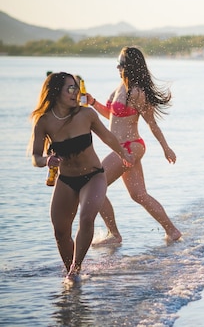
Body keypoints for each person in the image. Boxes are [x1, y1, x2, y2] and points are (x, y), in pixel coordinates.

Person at [30, 72, 134, 283]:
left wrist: (124, 155)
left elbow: (107, 136)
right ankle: (72, 272)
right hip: (66, 180)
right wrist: (46, 161)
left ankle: (75, 269)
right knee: (60, 231)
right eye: (70, 88)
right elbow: (35, 157)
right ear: (55, 91)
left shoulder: (86, 115)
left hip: (93, 177)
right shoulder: (44, 121)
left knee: (86, 218)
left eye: (76, 88)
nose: (75, 92)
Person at [88, 46, 181, 245]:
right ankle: (172, 231)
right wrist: (92, 102)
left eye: (120, 64)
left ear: (129, 66)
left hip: (130, 146)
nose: (117, 67)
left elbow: (151, 123)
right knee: (139, 195)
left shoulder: (137, 92)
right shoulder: (119, 88)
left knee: (94, 185)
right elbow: (111, 115)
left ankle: (114, 235)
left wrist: (166, 147)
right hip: (122, 147)